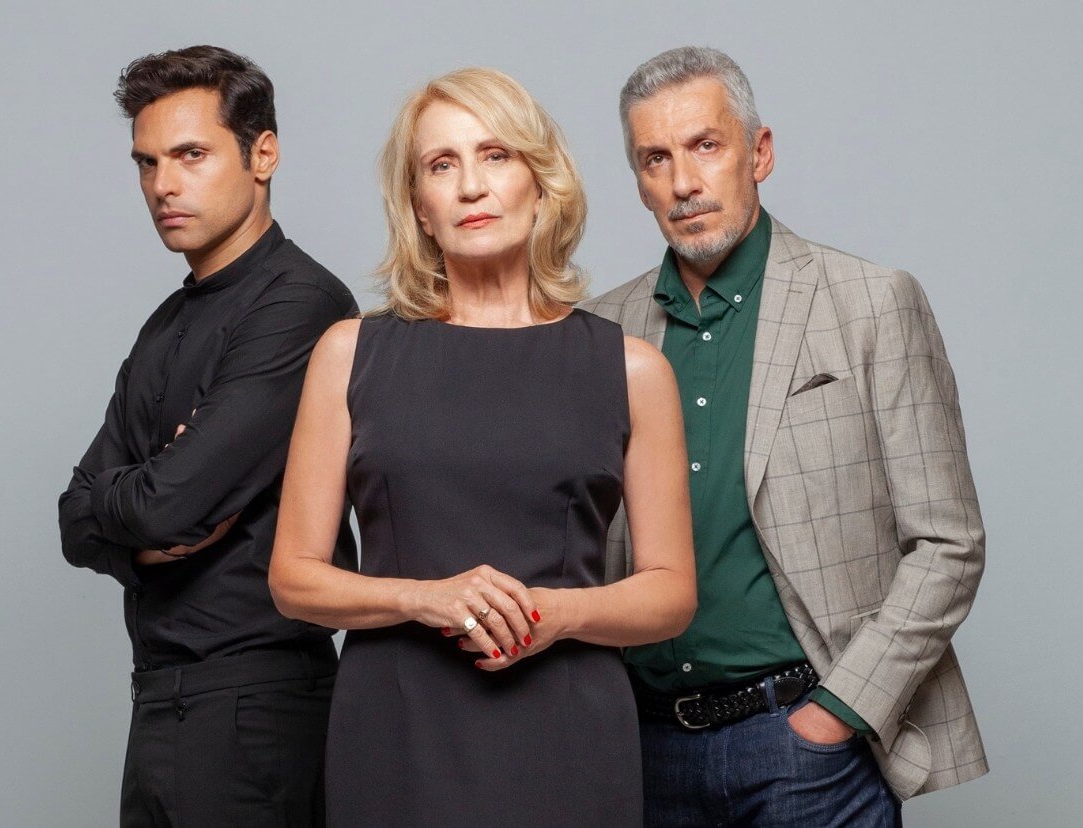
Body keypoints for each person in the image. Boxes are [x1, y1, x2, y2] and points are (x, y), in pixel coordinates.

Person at [269, 67, 696, 826]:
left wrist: (553, 614)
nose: (471, 186)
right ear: (419, 207)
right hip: (396, 727)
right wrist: (420, 597)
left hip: (568, 731)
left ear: (541, 182)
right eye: (442, 165)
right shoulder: (348, 353)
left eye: (495, 155)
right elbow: (293, 580)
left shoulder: (632, 370)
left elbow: (670, 594)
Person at [579, 46, 987, 825]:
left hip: (805, 744)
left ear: (758, 152)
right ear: (637, 181)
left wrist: (838, 713)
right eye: (655, 158)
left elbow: (949, 544)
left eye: (705, 145)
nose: (683, 182)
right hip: (641, 748)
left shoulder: (870, 303)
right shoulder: (597, 333)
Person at [57, 45, 358, 827]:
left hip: (256, 704)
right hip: (160, 697)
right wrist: (142, 527)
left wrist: (143, 499)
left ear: (263, 155)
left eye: (191, 154)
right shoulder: (166, 322)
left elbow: (164, 503)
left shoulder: (300, 304)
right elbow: (74, 519)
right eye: (147, 162)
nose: (163, 184)